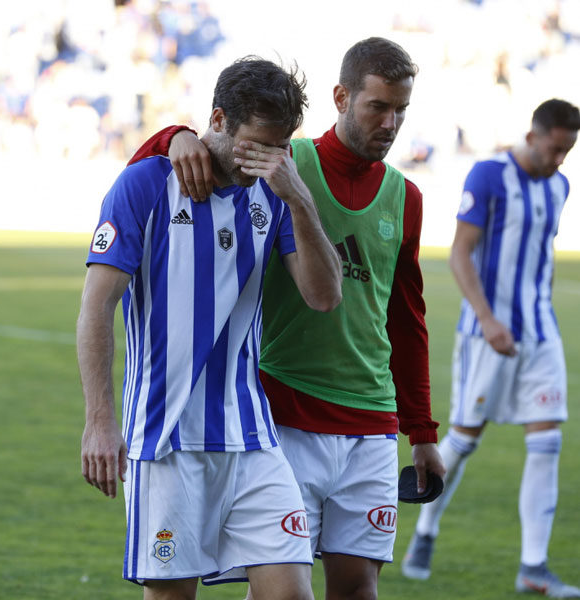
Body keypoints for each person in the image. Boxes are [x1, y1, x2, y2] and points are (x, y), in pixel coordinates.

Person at [128, 37, 445, 600]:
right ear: (342, 97)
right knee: (278, 585)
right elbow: (188, 158)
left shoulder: (406, 196)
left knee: (357, 589)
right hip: (287, 407)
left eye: (401, 110)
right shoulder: (281, 159)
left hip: (371, 416)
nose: (390, 122)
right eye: (378, 106)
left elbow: (406, 318)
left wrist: (421, 430)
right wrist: (172, 135)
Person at [77, 56, 342, 600]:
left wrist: (299, 198)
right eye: (255, 144)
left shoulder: (276, 190)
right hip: (166, 437)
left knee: (291, 593)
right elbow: (96, 306)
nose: (265, 159)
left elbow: (324, 295)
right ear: (218, 121)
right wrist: (100, 422)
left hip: (251, 436)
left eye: (278, 146)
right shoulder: (145, 185)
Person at [402, 99, 580, 597]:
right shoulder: (488, 176)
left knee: (547, 442)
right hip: (485, 334)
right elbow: (460, 253)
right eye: (555, 148)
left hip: (541, 334)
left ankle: (533, 567)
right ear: (534, 134)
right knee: (463, 440)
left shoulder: (559, 187)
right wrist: (487, 317)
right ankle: (426, 530)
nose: (560, 160)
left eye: (569, 151)